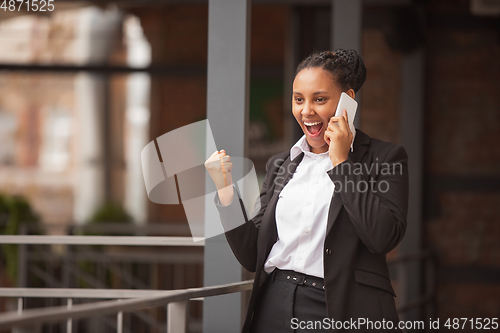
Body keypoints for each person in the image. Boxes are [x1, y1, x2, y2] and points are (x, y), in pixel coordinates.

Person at [205, 49, 409, 333]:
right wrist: (225, 190)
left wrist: (341, 162)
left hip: (340, 308)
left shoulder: (386, 158)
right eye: (298, 99)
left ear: (348, 101)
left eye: (320, 99)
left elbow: (382, 237)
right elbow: (252, 255)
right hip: (274, 304)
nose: (306, 110)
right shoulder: (281, 165)